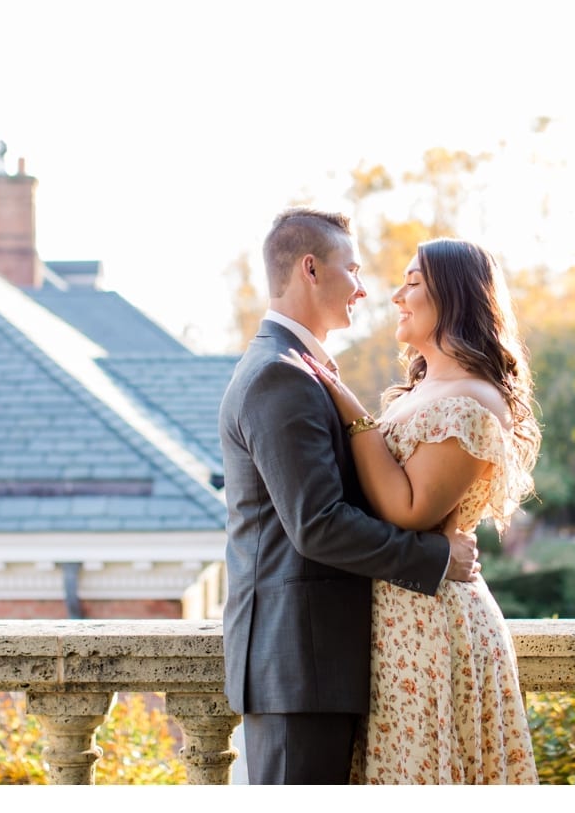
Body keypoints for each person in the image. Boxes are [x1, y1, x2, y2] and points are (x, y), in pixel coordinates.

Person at [218, 209, 482, 785]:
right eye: (353, 269)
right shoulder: (279, 375)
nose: (365, 288)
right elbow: (317, 525)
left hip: (313, 663)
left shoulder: (297, 367)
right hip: (298, 665)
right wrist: (435, 559)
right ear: (311, 269)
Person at [297, 236, 541, 784]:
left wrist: (350, 407)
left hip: (431, 625)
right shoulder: (422, 391)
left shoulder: (471, 401)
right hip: (397, 619)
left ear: (453, 298)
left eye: (412, 283)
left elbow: (407, 510)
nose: (395, 297)